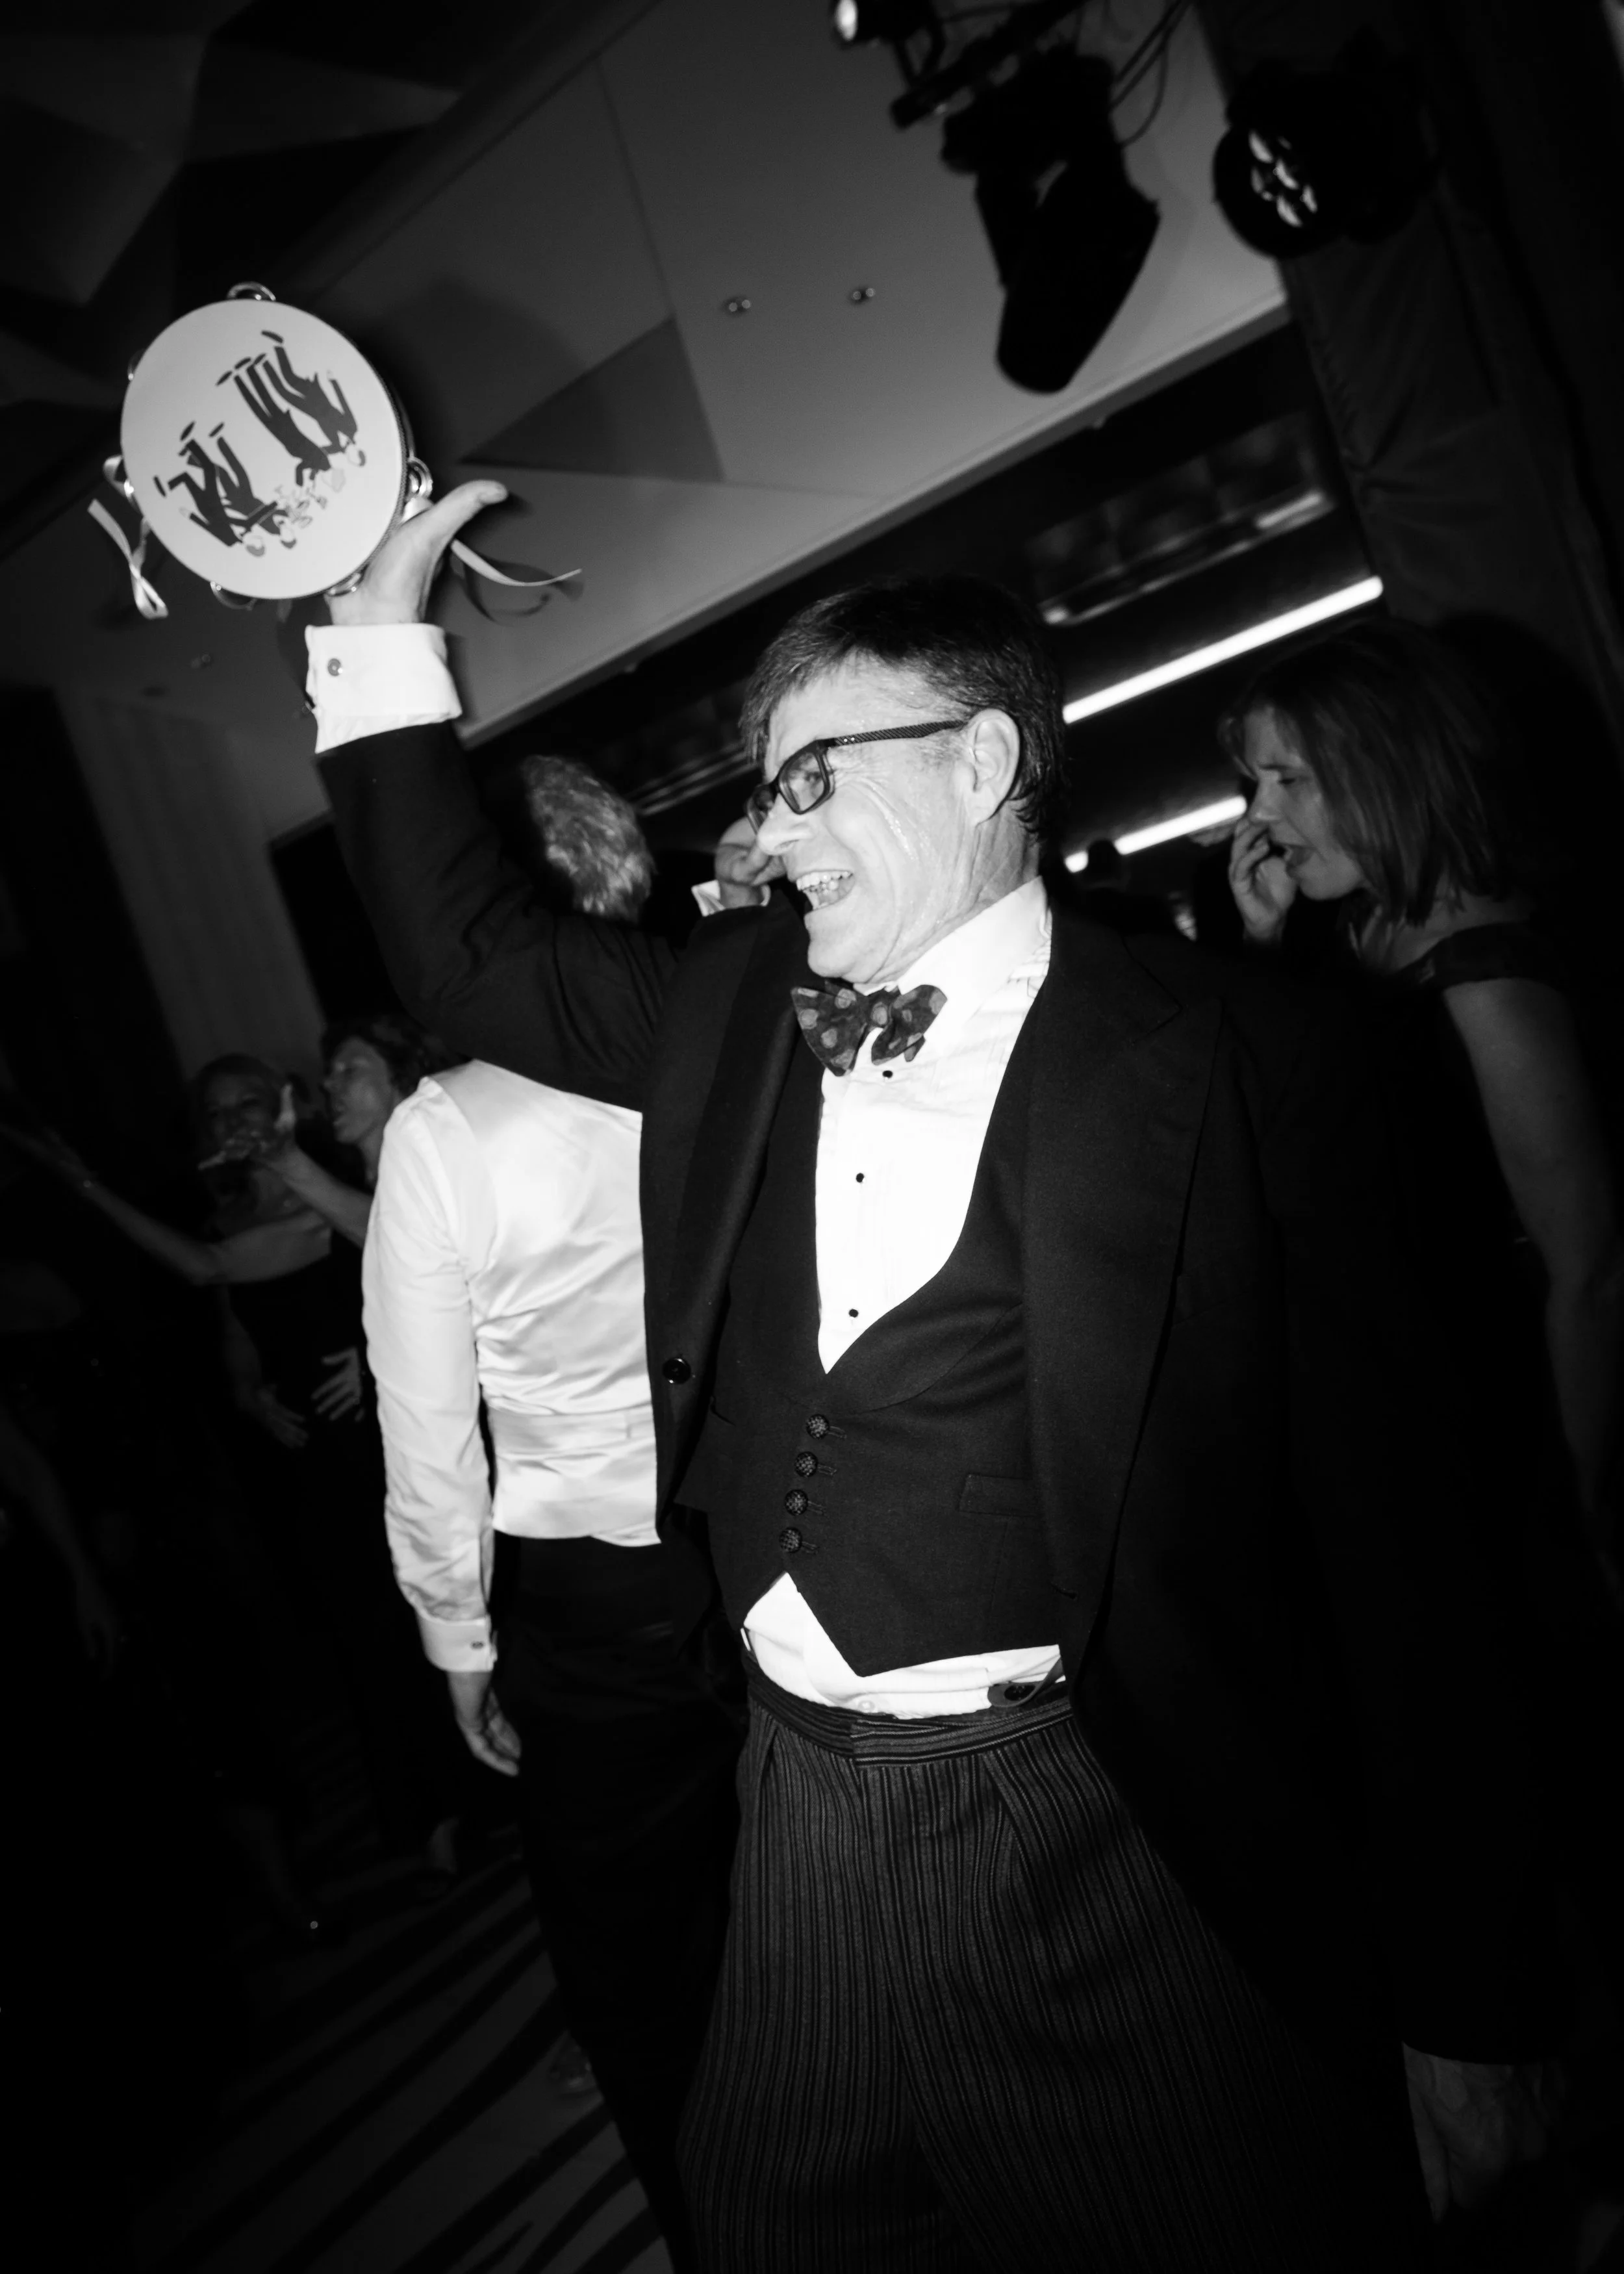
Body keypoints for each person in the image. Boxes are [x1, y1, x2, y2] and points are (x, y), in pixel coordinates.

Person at [311, 482, 1559, 2273]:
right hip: (793, 1797)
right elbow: (466, 950)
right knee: (763, 2210)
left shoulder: (1248, 1058)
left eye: (811, 773)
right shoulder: (736, 1001)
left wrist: (1475, 1994)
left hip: (1088, 1815)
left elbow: (1407, 1554)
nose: (765, 824)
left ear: (981, 764)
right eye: (759, 784)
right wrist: (373, 631)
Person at [362, 756, 741, 2266]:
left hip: (587, 1594)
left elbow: (425, 1420)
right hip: (763, 1530)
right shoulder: (708, 1042)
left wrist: (454, 1634)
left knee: (638, 1961)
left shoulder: (442, 1130)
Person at [1225, 623, 1621, 1571]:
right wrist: (1264, 953)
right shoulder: (1356, 934)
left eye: (1291, 779)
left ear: (1385, 772)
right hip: (1412, 1427)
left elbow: (1593, 1272)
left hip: (1510, 1443)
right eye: (1254, 784)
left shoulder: (1487, 981)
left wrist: (1593, 1516)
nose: (1260, 815)